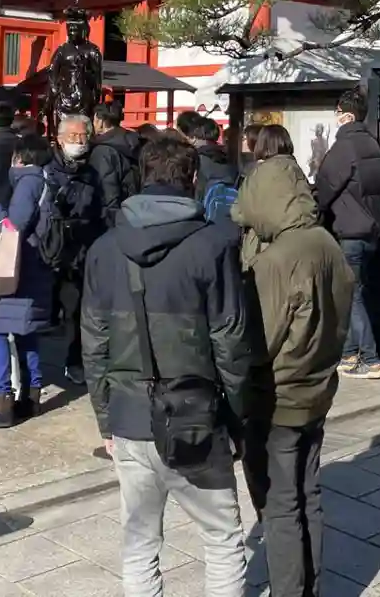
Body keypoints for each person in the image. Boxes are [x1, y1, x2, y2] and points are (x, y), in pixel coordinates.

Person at [80, 134, 252, 597]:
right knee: (222, 537)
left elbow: (93, 344)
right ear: (192, 179)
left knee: (139, 542)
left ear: (142, 176)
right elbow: (230, 341)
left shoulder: (104, 248)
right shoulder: (215, 244)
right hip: (197, 414)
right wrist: (237, 418)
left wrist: (105, 419)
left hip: (130, 414)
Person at [234, 125, 352, 597]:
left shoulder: (277, 260)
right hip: (318, 389)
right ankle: (312, 586)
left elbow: (259, 341)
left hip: (279, 397)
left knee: (280, 505)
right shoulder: (326, 243)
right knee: (310, 494)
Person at [0, 133, 56, 428]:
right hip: (37, 267)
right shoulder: (48, 179)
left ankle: (1, 400)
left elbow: (13, 227)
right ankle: (31, 397)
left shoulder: (28, 181)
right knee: (25, 332)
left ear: (20, 157)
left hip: (21, 270)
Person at [313, 87, 380, 381]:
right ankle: (349, 354)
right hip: (372, 231)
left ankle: (370, 360)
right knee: (356, 293)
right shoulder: (373, 145)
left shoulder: (344, 148)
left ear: (345, 115)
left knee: (351, 295)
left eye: (337, 113)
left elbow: (325, 187)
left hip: (349, 232)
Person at [44, 114, 104, 387]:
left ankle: (74, 360)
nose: (80, 142)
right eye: (73, 136)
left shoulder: (92, 172)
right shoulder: (47, 169)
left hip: (80, 251)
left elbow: (99, 209)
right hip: (50, 249)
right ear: (60, 139)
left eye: (84, 136)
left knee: (75, 310)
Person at [89, 101, 141, 229]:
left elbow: (107, 191)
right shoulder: (135, 142)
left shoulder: (103, 151)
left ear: (100, 121)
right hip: (135, 209)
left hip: (113, 218)